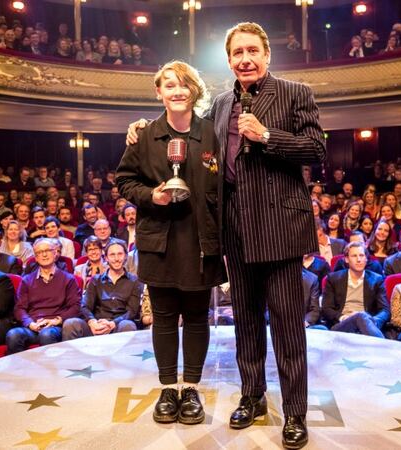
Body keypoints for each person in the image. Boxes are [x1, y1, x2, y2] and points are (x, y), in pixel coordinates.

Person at [126, 22, 325, 447]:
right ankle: (252, 397)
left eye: (252, 51)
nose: (245, 59)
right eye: (237, 53)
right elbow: (184, 131)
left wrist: (268, 136)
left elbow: (316, 149)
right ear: (230, 60)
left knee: (288, 327)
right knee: (246, 324)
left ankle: (294, 413)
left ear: (267, 54)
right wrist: (141, 126)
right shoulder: (218, 105)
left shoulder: (295, 92)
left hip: (280, 230)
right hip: (234, 229)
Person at [116, 60, 223, 426]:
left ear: (194, 90)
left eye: (184, 85)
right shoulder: (143, 136)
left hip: (200, 243)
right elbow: (124, 181)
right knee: (162, 319)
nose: (177, 91)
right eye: (169, 85)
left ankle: (190, 388)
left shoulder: (213, 133)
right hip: (158, 241)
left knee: (196, 318)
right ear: (158, 92)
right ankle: (167, 388)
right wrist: (151, 196)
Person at [6, 238, 81, 353]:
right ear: (35, 258)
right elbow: (19, 308)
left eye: (47, 251)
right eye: (39, 253)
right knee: (13, 335)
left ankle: (51, 370)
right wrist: (30, 323)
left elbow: (75, 307)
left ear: (55, 253)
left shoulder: (68, 279)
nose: (44, 255)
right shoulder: (27, 280)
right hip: (34, 326)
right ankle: (21, 370)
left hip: (55, 326)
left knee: (46, 335)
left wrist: (56, 321)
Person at [63, 240, 143, 338]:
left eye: (120, 254)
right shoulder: (96, 280)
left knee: (128, 325)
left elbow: (132, 311)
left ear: (126, 256)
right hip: (96, 324)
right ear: (106, 258)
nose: (116, 258)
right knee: (70, 323)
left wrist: (113, 323)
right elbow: (85, 306)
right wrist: (92, 322)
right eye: (112, 255)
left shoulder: (134, 281)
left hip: (118, 325)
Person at [322, 242, 389, 338]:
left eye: (362, 255)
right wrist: (343, 317)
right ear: (346, 259)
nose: (359, 260)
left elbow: (385, 310)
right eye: (354, 256)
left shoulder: (376, 280)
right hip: (342, 326)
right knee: (360, 316)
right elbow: (326, 308)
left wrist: (373, 321)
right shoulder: (333, 279)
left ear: (366, 259)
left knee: (362, 316)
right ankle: (384, 348)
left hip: (367, 326)